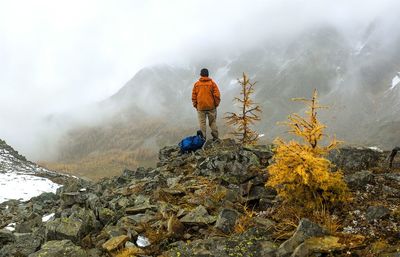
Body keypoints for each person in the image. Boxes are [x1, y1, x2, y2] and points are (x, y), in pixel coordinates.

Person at [192, 68, 221, 141]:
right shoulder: (212, 83)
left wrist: (196, 106)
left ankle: (203, 139)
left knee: (202, 123)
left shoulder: (196, 84)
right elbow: (217, 95)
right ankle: (215, 137)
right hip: (211, 107)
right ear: (208, 75)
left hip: (201, 107)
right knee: (212, 122)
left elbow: (194, 96)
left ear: (201, 75)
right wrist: (215, 104)